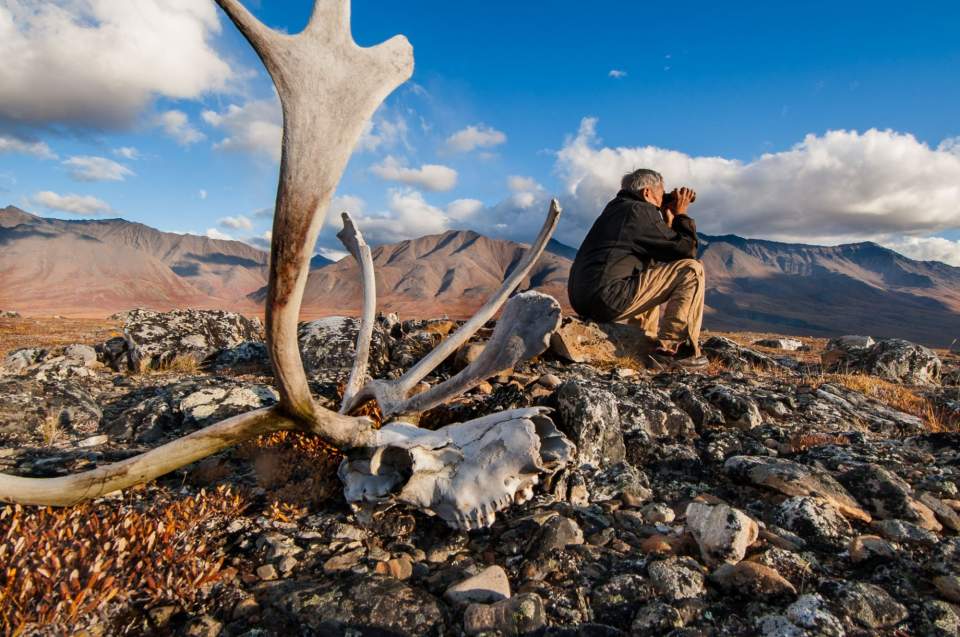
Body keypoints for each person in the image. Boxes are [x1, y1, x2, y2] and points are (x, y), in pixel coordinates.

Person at [567, 168, 707, 368]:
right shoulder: (639, 210)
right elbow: (686, 251)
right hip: (607, 297)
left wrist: (666, 219)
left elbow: (660, 256)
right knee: (692, 269)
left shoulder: (618, 209)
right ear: (647, 193)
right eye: (661, 194)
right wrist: (681, 214)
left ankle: (645, 343)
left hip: (586, 300)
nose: (661, 200)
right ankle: (673, 349)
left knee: (647, 274)